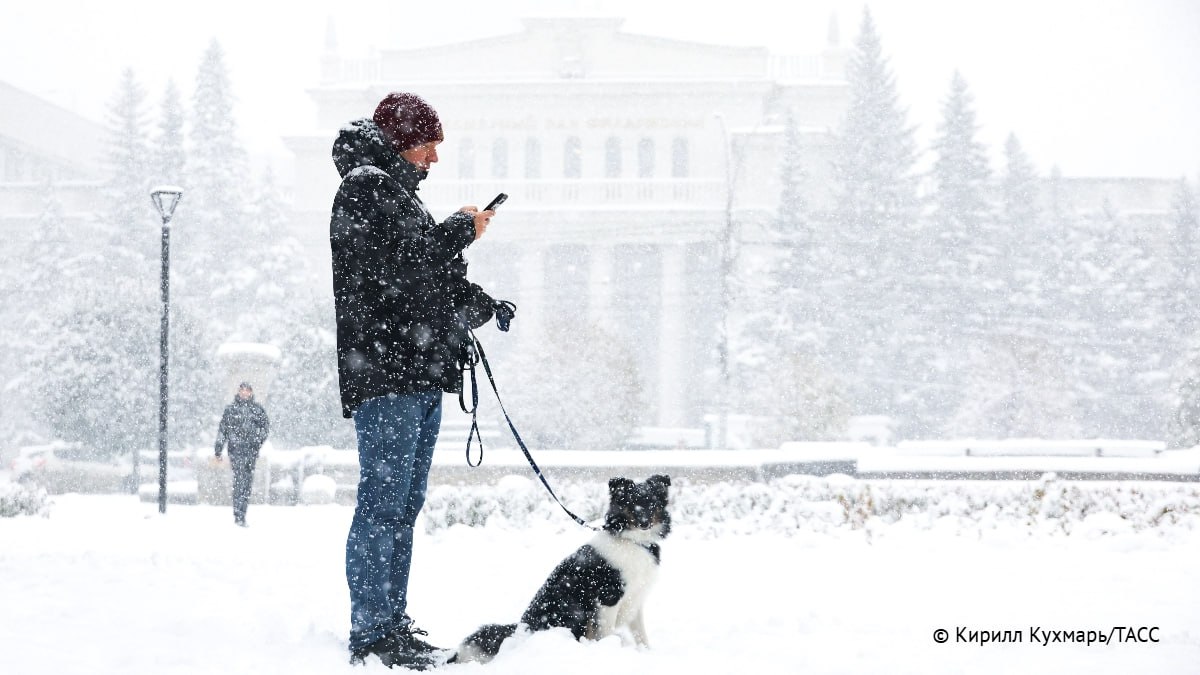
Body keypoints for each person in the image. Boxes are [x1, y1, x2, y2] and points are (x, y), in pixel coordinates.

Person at [329, 91, 513, 669]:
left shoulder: (396, 194)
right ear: (401, 140)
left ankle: (391, 623)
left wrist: (481, 304)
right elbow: (402, 272)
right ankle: (372, 633)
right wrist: (459, 230)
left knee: (402, 506)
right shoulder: (366, 188)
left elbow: (425, 277)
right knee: (383, 505)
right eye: (428, 145)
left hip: (414, 372)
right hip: (386, 373)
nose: (434, 157)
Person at [213, 382, 270, 527]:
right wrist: (218, 449)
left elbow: (265, 428)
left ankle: (242, 512)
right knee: (239, 480)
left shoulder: (257, 410)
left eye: (247, 391)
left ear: (251, 393)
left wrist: (256, 441)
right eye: (242, 390)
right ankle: (238, 514)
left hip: (251, 452)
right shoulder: (231, 410)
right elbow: (223, 430)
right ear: (238, 392)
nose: (244, 393)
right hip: (236, 451)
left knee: (247, 482)